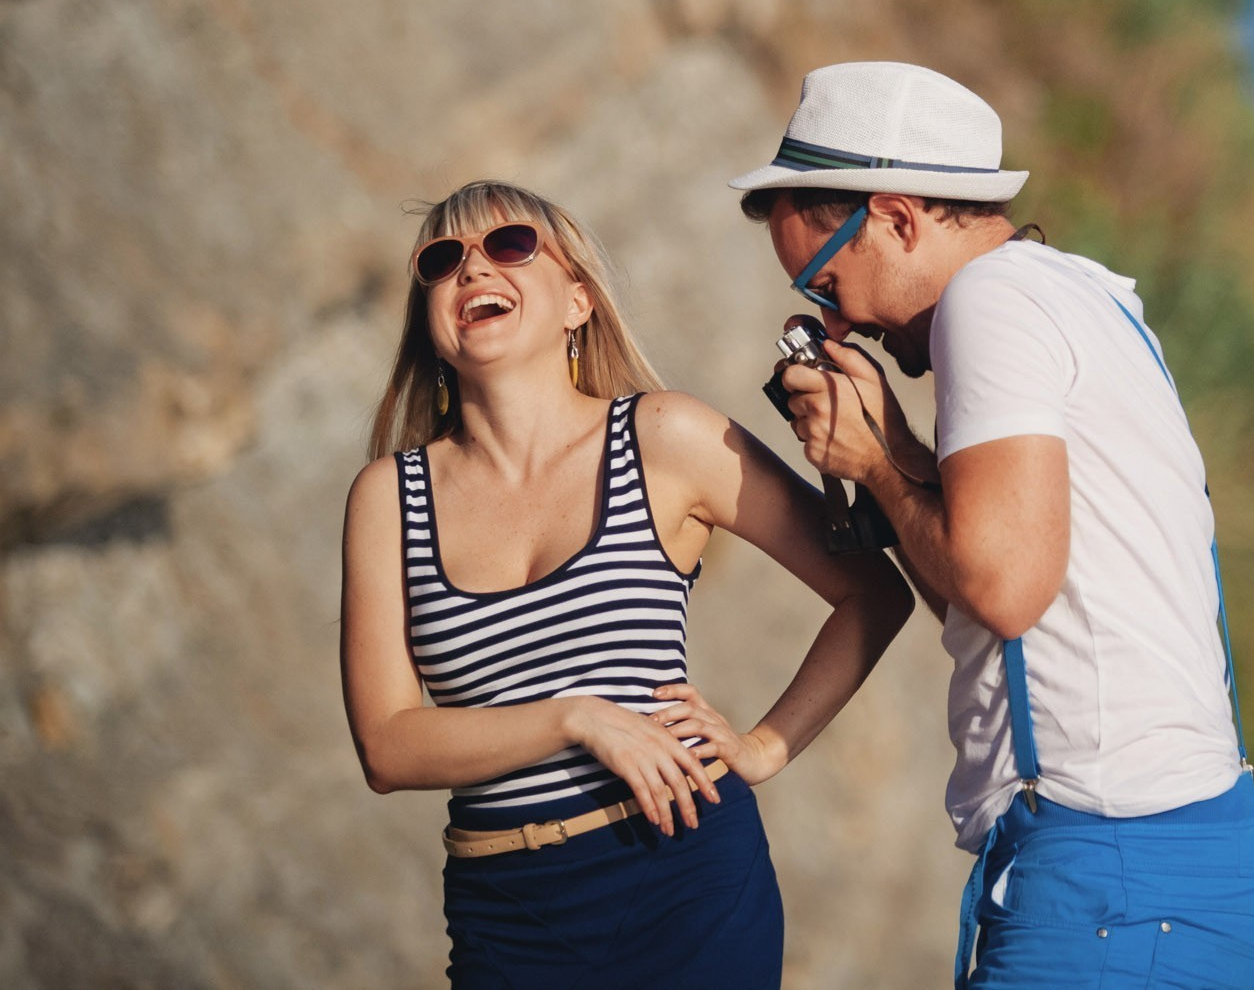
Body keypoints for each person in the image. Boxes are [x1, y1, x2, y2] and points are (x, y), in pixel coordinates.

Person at [731, 62, 1254, 988]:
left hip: (1111, 872)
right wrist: (895, 448)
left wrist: (872, 461)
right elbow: (991, 576)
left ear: (900, 218)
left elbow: (1002, 584)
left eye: (826, 285)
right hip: (1182, 863)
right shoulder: (1087, 298)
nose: (840, 322)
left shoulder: (989, 302)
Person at [339, 179, 912, 987]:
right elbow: (388, 746)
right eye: (442, 260)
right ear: (430, 324)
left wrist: (762, 747)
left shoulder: (667, 436)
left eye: (507, 245)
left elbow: (875, 594)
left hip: (686, 875)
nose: (471, 269)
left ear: (578, 300)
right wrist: (575, 718)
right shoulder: (386, 500)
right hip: (509, 910)